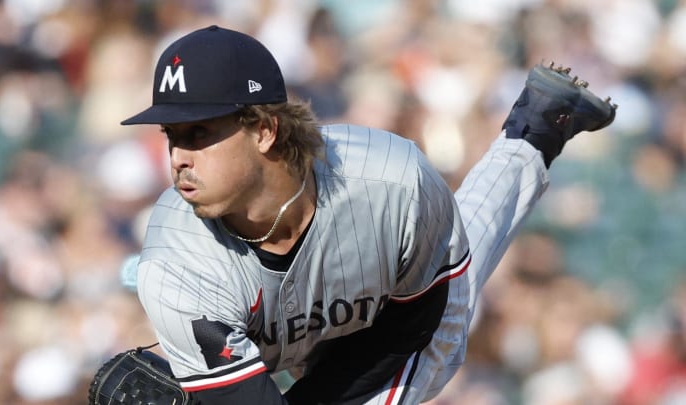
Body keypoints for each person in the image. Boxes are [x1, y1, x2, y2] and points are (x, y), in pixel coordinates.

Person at [117, 25, 616, 404]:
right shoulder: (173, 261)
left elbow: (411, 335)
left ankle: (536, 131)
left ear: (265, 130)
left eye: (198, 134)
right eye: (172, 136)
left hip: (392, 323)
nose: (178, 156)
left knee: (458, 274)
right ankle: (541, 122)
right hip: (280, 347)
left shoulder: (393, 183)